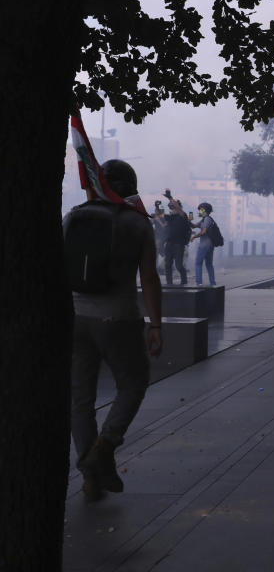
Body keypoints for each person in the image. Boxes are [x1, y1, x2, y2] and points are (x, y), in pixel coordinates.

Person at [63, 159, 163, 502]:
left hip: (75, 319)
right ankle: (103, 449)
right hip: (119, 318)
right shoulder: (137, 223)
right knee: (133, 384)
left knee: (80, 399)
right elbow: (149, 277)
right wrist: (155, 324)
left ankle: (91, 478)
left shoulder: (74, 216)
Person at [162, 192, 191, 285]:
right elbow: (158, 214)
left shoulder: (183, 216)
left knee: (179, 266)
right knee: (167, 265)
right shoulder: (170, 217)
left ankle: (184, 282)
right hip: (169, 243)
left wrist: (170, 197)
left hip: (179, 244)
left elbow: (177, 207)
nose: (171, 208)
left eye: (173, 207)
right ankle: (169, 283)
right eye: (170, 207)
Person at [190, 201, 217, 286]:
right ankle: (212, 283)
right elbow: (194, 226)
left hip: (204, 245)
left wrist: (194, 237)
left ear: (205, 211)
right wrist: (188, 220)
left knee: (198, 263)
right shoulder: (204, 220)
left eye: (200, 210)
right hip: (210, 246)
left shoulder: (207, 219)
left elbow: (203, 232)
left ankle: (199, 283)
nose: (199, 212)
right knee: (209, 264)